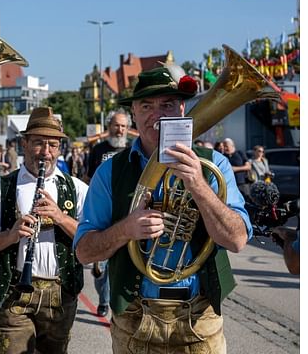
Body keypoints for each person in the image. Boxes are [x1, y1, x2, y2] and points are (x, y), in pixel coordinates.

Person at [73, 67, 251, 353]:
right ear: (133, 112)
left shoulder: (214, 164)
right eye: (146, 106)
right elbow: (84, 252)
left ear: (182, 108)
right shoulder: (110, 172)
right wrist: (126, 229)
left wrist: (199, 186)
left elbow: (237, 240)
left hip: (200, 318)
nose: (157, 114)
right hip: (134, 319)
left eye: (167, 104)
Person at [0, 106, 89, 354]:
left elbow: (92, 241)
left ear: (60, 148)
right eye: (38, 143)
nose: (45, 152)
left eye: (52, 145)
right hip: (14, 292)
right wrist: (11, 235)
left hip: (61, 294)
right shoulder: (1, 187)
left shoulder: (78, 188)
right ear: (24, 143)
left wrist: (59, 217)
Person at [84, 109, 132, 317]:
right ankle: (103, 298)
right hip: (103, 213)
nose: (119, 129)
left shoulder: (132, 149)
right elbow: (88, 177)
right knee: (100, 265)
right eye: (116, 125)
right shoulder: (98, 150)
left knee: (122, 263)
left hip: (127, 213)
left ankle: (115, 303)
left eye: (123, 126)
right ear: (108, 127)